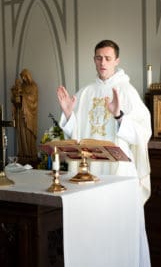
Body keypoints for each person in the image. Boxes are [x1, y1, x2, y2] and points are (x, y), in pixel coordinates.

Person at [57, 40, 152, 266]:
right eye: (99, 57)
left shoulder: (127, 92)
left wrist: (119, 116)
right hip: (90, 173)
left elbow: (143, 132)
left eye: (108, 58)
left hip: (119, 175)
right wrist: (70, 115)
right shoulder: (86, 92)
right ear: (94, 59)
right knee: (93, 233)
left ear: (116, 60)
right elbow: (76, 134)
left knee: (119, 232)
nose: (103, 62)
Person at [11, 68, 38, 163]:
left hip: (29, 116)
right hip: (20, 114)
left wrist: (23, 97)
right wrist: (15, 97)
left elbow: (33, 100)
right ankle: (23, 153)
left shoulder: (33, 86)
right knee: (21, 134)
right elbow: (14, 99)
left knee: (28, 134)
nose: (23, 79)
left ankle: (30, 154)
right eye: (21, 77)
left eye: (24, 76)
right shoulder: (21, 86)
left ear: (28, 76)